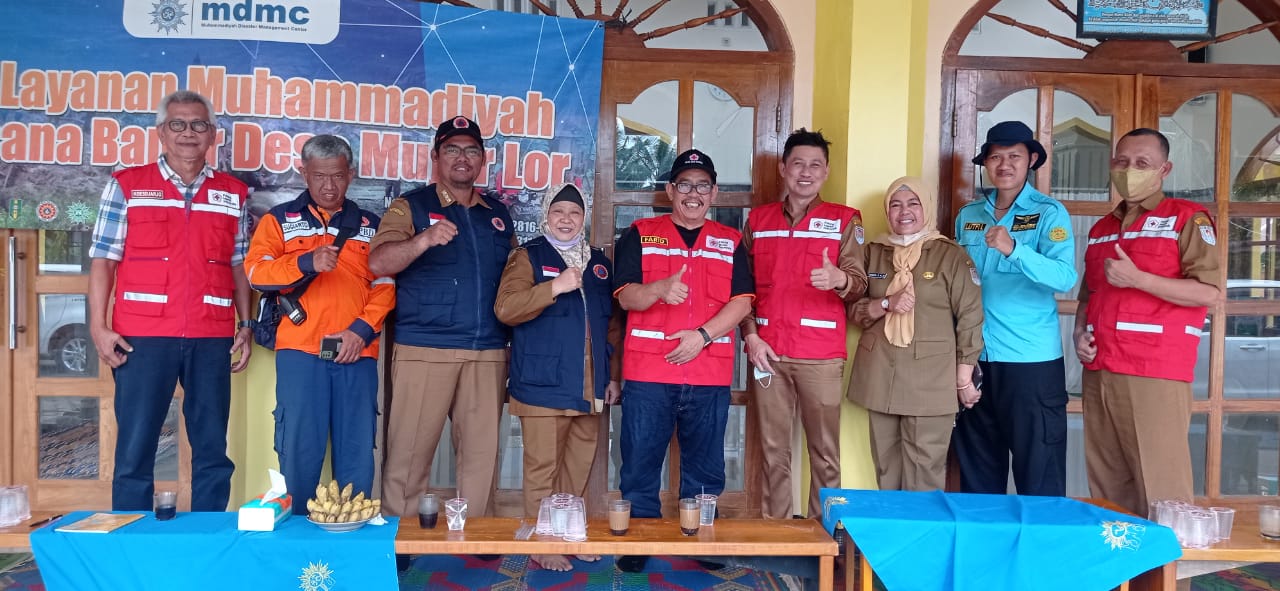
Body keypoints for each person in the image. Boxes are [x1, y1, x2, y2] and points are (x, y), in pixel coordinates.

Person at [88, 90, 253, 511]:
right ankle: (130, 536)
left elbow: (239, 266)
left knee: (213, 449)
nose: (188, 133)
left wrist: (246, 325)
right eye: (177, 124)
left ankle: (206, 536)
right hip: (142, 337)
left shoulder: (233, 193)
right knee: (135, 449)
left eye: (198, 124)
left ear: (213, 135)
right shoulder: (127, 185)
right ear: (161, 132)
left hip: (210, 336)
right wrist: (98, 327)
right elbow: (104, 261)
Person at [613, 149, 753, 572]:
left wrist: (702, 336)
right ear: (670, 190)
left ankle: (702, 539)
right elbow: (625, 296)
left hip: (708, 370)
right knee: (640, 463)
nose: (694, 194)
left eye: (702, 185)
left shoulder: (731, 241)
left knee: (706, 466)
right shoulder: (640, 233)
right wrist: (658, 289)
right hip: (649, 371)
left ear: (714, 193)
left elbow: (743, 302)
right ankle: (639, 541)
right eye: (685, 185)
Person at [370, 115, 515, 520]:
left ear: (483, 159)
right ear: (435, 157)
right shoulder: (411, 206)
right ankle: (400, 539)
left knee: (481, 460)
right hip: (425, 349)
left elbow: (514, 281)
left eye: (471, 150)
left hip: (487, 351)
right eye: (452, 149)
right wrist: (423, 239)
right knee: (409, 455)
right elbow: (378, 262)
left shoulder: (497, 214)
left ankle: (473, 538)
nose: (462, 157)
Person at [1074, 128, 1221, 515]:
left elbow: (1210, 293)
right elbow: (1089, 295)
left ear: (1164, 169)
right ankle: (1120, 558)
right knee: (1108, 485)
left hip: (1154, 371)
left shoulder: (1186, 218)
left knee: (1162, 485)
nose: (1129, 170)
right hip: (1101, 369)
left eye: (1142, 163)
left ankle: (1169, 558)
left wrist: (1140, 279)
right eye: (1122, 162)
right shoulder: (1102, 228)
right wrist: (1079, 333)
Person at [245, 134, 394, 512]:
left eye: (338, 176)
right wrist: (305, 262)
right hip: (301, 352)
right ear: (304, 173)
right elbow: (256, 273)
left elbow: (386, 284)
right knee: (298, 451)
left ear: (351, 174)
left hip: (356, 352)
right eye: (319, 176)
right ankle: (295, 535)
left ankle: (353, 534)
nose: (329, 185)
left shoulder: (371, 226)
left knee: (357, 452)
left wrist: (360, 332)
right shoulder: (279, 220)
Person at [740, 128, 867, 519]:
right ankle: (776, 536)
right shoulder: (758, 220)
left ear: (826, 172)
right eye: (798, 164)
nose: (806, 172)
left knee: (825, 453)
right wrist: (750, 336)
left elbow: (860, 283)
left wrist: (839, 279)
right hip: (768, 352)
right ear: (783, 169)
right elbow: (741, 289)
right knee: (773, 451)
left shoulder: (845, 219)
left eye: (815, 165)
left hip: (820, 355)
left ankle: (824, 536)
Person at [494, 183, 619, 571]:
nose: (566, 219)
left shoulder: (598, 263)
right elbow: (506, 308)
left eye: (575, 213)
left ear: (584, 219)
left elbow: (612, 326)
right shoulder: (527, 256)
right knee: (541, 471)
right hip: (542, 383)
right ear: (545, 216)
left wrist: (611, 375)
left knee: (576, 469)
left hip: (588, 386)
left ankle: (568, 535)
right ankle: (541, 543)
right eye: (558, 212)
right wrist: (555, 286)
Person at [952, 121, 1078, 496]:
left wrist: (1014, 249)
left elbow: (1064, 277)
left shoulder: (1049, 213)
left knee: (1039, 476)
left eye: (1014, 156)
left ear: (1031, 160)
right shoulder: (969, 216)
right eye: (996, 157)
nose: (1004, 165)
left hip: (1030, 364)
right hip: (976, 361)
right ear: (986, 163)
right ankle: (986, 537)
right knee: (978, 476)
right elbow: (955, 285)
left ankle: (1040, 538)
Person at [847, 177, 984, 492]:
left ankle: (921, 528)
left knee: (924, 473)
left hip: (931, 381)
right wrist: (885, 304)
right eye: (895, 205)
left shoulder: (950, 255)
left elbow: (971, 316)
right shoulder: (873, 253)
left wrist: (963, 379)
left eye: (913, 203)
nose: (904, 212)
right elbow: (852, 309)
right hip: (880, 376)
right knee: (886, 469)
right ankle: (893, 527)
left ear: (927, 208)